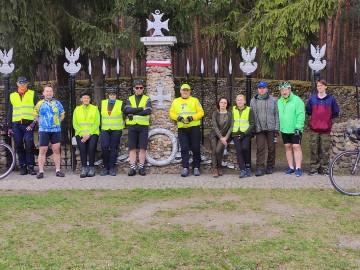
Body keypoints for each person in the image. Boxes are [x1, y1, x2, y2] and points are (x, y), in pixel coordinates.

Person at [169, 83, 204, 177]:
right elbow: (171, 113)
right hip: (182, 128)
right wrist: (178, 118)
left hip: (194, 128)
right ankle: (185, 168)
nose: (185, 92)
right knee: (184, 148)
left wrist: (192, 118)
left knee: (196, 147)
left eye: (187, 90)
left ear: (190, 91)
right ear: (180, 91)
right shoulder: (175, 101)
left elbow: (201, 112)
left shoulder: (195, 100)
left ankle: (196, 167)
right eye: (183, 90)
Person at [306, 79, 339, 176]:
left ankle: (324, 168)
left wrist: (326, 120)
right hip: (314, 129)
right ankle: (314, 168)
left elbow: (335, 112)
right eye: (318, 86)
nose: (319, 87)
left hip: (326, 129)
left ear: (325, 87)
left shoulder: (331, 99)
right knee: (314, 149)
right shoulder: (312, 99)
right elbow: (308, 111)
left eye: (321, 85)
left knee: (325, 150)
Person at [7, 76, 39, 175]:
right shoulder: (12, 95)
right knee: (18, 145)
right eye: (20, 82)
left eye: (24, 82)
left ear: (27, 84)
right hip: (16, 124)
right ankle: (22, 166)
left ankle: (31, 166)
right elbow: (9, 111)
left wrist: (34, 123)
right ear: (17, 83)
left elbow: (37, 110)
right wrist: (9, 127)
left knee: (29, 145)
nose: (22, 84)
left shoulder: (33, 94)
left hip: (28, 124)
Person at [34, 84, 65, 179]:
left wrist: (57, 123)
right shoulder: (39, 104)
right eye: (47, 91)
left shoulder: (57, 103)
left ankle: (58, 170)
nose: (49, 93)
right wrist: (42, 123)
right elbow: (35, 115)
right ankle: (41, 171)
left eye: (50, 91)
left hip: (55, 130)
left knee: (56, 150)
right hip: (44, 130)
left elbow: (62, 114)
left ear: (53, 93)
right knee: (42, 150)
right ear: (43, 93)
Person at [250, 81, 279, 177]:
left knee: (271, 148)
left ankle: (270, 166)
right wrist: (253, 129)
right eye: (260, 88)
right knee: (260, 148)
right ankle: (260, 167)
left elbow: (276, 114)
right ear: (258, 89)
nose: (261, 90)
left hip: (271, 128)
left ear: (267, 89)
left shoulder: (273, 100)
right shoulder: (253, 101)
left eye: (263, 88)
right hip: (259, 129)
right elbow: (252, 116)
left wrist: (276, 128)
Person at [124, 79, 152, 176]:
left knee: (143, 148)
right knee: (132, 148)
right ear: (134, 89)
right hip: (132, 126)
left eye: (141, 87)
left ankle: (141, 168)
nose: (139, 89)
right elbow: (127, 110)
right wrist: (140, 109)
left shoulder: (147, 99)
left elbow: (148, 111)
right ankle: (132, 168)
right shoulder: (129, 99)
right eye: (137, 88)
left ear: (143, 88)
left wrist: (134, 111)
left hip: (143, 127)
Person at [277, 81, 305, 177]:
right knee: (288, 147)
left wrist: (298, 127)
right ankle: (291, 167)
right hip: (284, 129)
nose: (284, 92)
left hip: (295, 129)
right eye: (282, 90)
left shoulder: (297, 100)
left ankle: (298, 168)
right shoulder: (279, 102)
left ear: (289, 90)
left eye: (285, 90)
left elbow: (301, 115)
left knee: (296, 147)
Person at [73, 91, 100, 178]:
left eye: (87, 98)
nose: (86, 99)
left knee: (92, 149)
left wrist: (89, 134)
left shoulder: (95, 108)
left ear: (90, 99)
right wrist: (82, 134)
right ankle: (84, 168)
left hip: (92, 133)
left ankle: (91, 168)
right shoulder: (77, 109)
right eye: (84, 98)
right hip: (80, 134)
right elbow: (75, 123)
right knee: (82, 150)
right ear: (81, 99)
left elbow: (97, 123)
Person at [99, 87, 125, 177]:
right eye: (111, 94)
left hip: (117, 129)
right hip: (105, 129)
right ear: (108, 95)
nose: (112, 96)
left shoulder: (121, 103)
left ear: (116, 95)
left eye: (114, 94)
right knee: (104, 147)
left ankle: (112, 168)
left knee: (114, 148)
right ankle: (105, 167)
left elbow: (127, 114)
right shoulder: (102, 103)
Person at [232, 94, 255, 178]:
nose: (240, 101)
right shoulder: (233, 109)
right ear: (236, 101)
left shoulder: (249, 110)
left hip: (246, 133)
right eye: (238, 100)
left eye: (241, 100)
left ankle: (248, 167)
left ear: (245, 101)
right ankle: (242, 169)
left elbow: (252, 124)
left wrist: (244, 134)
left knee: (245, 148)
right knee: (239, 149)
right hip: (235, 133)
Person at [209, 97, 232, 178]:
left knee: (219, 150)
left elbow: (231, 127)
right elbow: (215, 127)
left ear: (227, 104)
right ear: (219, 104)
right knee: (214, 150)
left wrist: (225, 137)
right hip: (215, 134)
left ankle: (219, 167)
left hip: (225, 135)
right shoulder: (215, 113)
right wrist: (221, 138)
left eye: (225, 103)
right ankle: (216, 169)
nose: (223, 104)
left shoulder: (230, 114)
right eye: (221, 102)